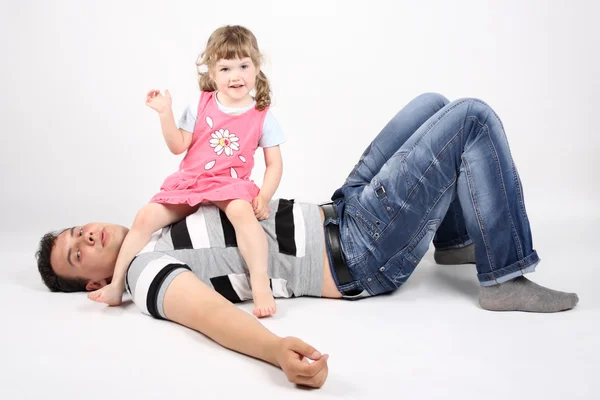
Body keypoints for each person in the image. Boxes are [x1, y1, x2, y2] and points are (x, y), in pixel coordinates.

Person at [36, 93, 579, 388]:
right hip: (360, 254)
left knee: (431, 104)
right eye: (77, 253)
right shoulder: (145, 269)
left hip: (341, 210)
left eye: (76, 230)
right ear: (97, 281)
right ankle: (504, 276)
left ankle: (457, 238)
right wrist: (274, 352)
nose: (84, 236)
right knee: (470, 117)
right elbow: (208, 315)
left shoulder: (157, 215)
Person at [87, 25, 285, 317]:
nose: (236, 76)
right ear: (213, 74)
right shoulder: (200, 105)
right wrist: (165, 114)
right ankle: (117, 284)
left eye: (244, 65)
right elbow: (178, 145)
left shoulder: (262, 115)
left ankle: (260, 285)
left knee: (243, 215)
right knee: (145, 216)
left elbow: (274, 164)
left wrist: (265, 196)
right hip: (192, 181)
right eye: (226, 68)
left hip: (230, 184)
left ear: (256, 67)